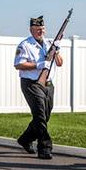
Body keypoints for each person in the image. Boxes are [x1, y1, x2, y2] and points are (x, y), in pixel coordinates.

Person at [14, 16, 63, 160]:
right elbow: (18, 64)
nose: (40, 31)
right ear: (31, 30)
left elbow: (60, 63)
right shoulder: (25, 45)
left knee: (45, 116)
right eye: (36, 29)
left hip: (48, 84)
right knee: (40, 115)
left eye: (41, 29)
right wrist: (38, 64)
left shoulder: (49, 43)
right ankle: (45, 147)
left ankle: (25, 139)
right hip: (31, 83)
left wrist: (56, 51)